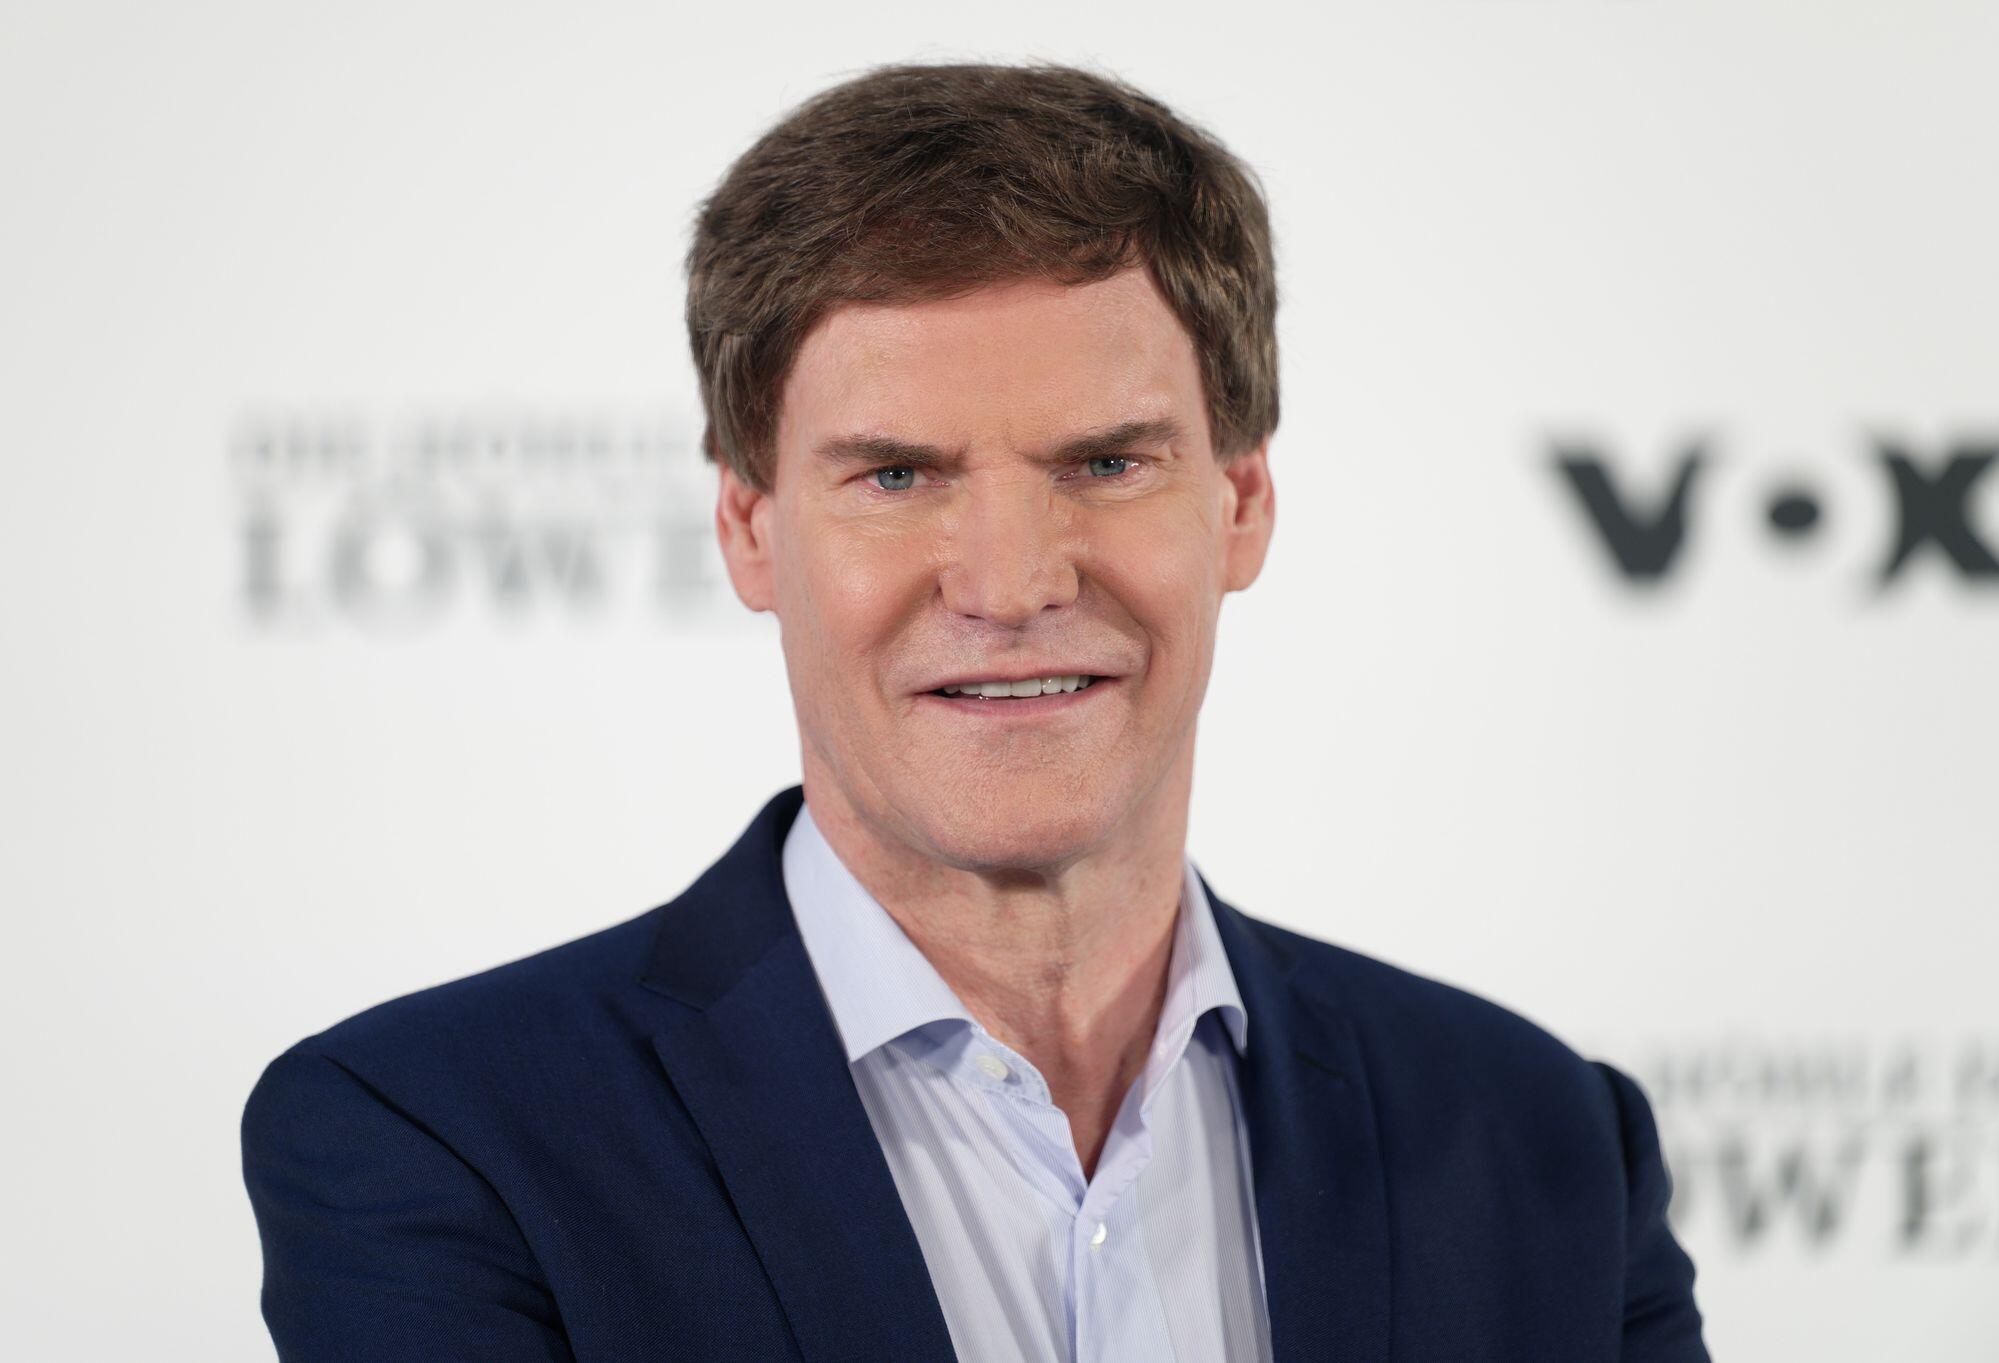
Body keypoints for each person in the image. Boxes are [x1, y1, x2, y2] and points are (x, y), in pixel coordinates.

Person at [241, 61, 1711, 1362]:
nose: (1011, 585)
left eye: (1106, 464)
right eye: (896, 475)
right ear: (750, 529)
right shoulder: (439, 1141)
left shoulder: (1544, 1145)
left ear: (1242, 502)